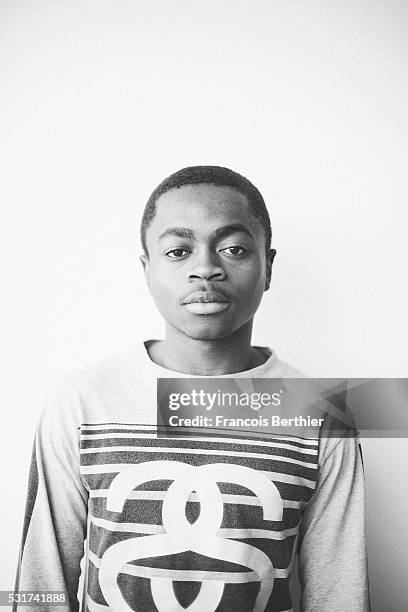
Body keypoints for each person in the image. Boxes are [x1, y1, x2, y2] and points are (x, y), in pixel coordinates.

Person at [14, 166, 370, 611]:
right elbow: (40, 578)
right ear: (147, 269)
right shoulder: (82, 399)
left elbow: (341, 595)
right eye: (179, 251)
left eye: (234, 248)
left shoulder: (318, 409)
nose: (206, 267)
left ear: (268, 267)